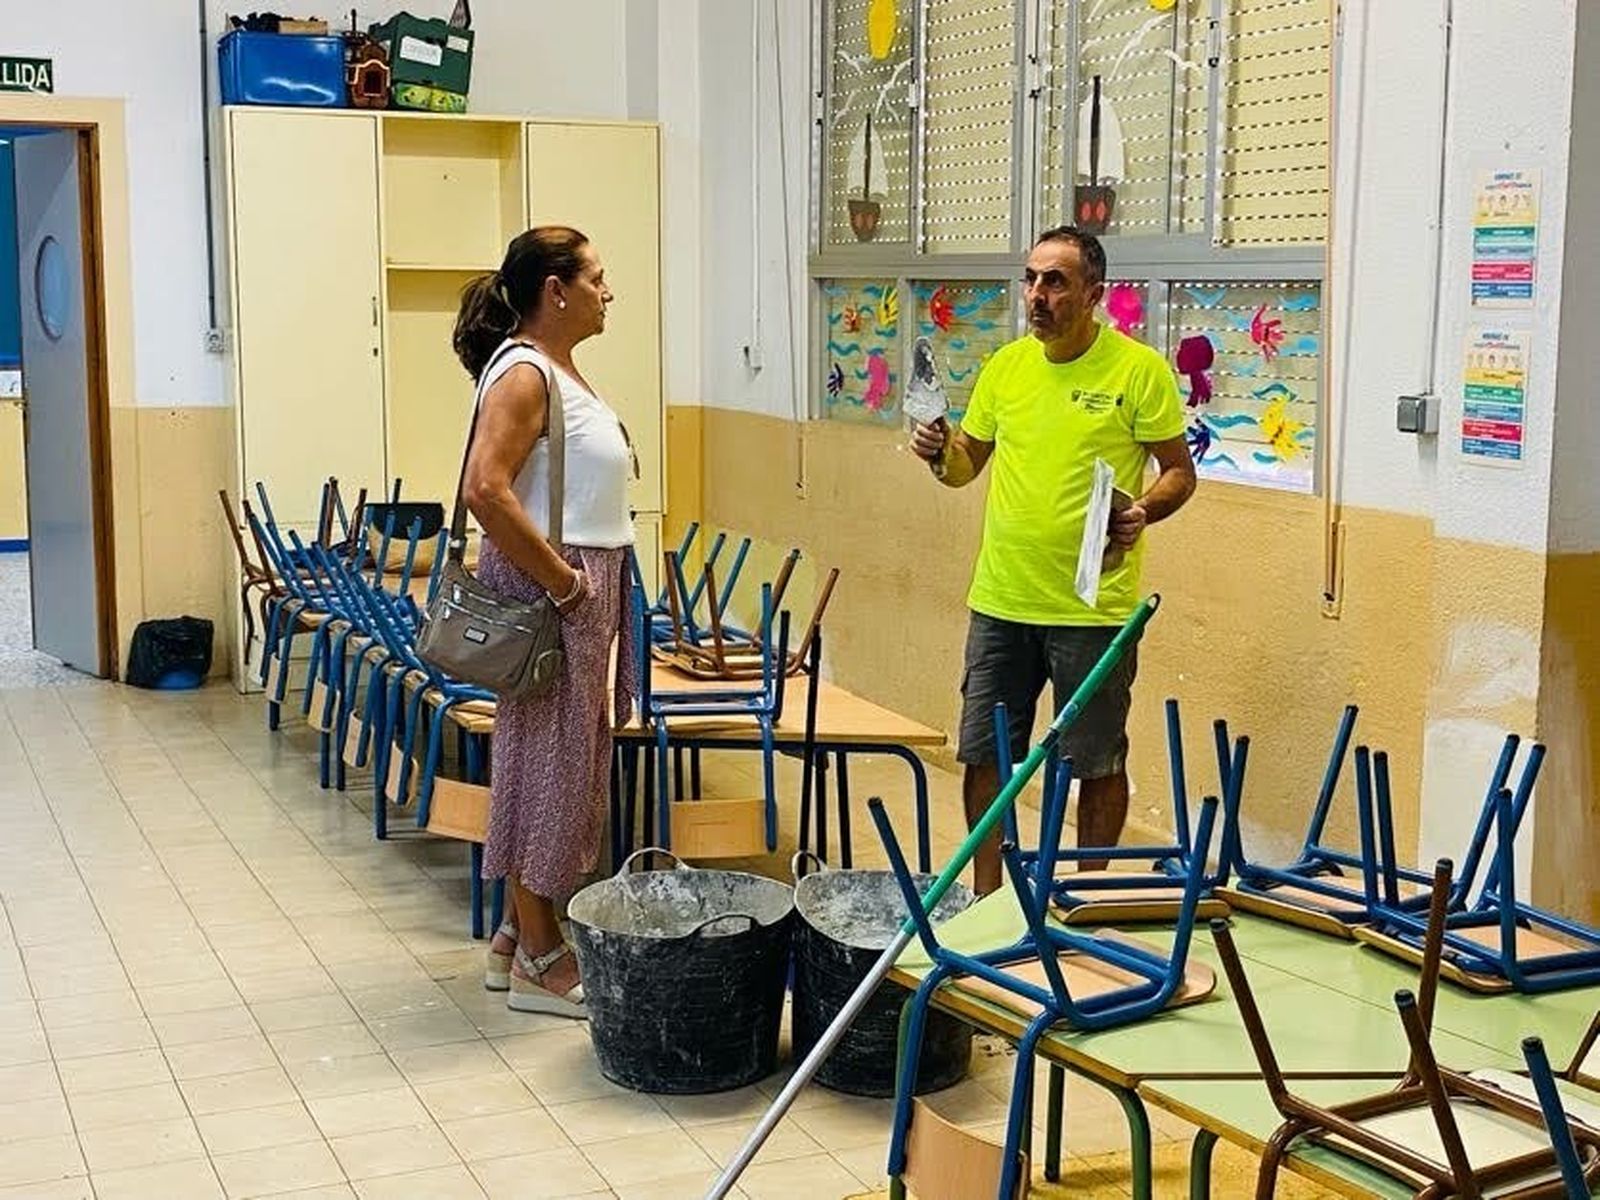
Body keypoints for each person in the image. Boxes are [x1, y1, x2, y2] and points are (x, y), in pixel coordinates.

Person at [910, 226, 1196, 894]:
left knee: (1093, 762)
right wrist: (937, 453)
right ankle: (987, 895)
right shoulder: (1006, 368)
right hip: (1002, 601)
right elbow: (963, 468)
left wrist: (1141, 512)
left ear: (1094, 293)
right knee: (985, 756)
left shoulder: (1137, 371)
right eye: (1032, 279)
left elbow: (1179, 473)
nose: (1037, 295)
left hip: (1092, 608)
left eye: (1056, 281)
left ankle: (1087, 897)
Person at [452, 226, 637, 1017]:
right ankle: (540, 950)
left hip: (581, 581)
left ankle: (512, 931)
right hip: (555, 586)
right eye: (597, 277)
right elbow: (485, 490)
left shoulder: (557, 370)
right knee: (551, 768)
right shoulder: (525, 374)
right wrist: (564, 584)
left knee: (564, 759)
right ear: (556, 290)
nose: (608, 291)